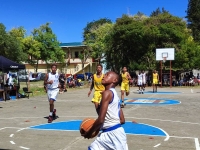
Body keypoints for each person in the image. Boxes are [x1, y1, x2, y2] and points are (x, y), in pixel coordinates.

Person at [83, 71, 128, 150]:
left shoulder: (107, 93)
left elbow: (100, 120)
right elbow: (122, 120)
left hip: (114, 135)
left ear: (114, 80)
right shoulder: (115, 95)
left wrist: (89, 132)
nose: (103, 76)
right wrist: (105, 125)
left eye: (107, 75)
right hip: (111, 133)